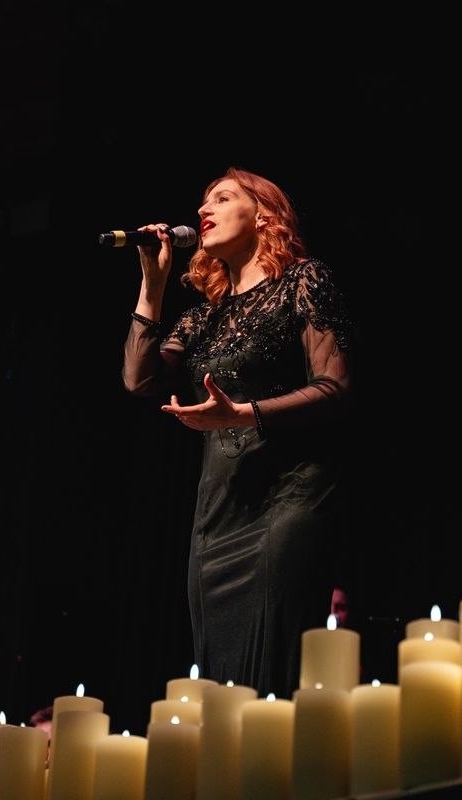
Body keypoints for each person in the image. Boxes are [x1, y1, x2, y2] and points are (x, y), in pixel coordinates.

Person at [122, 167, 355, 698]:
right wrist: (152, 285)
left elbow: (336, 388)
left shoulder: (305, 281)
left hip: (289, 498)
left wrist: (243, 413)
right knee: (221, 684)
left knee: (272, 669)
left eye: (222, 199)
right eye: (202, 202)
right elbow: (139, 382)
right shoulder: (205, 317)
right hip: (219, 513)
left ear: (264, 215)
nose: (203, 210)